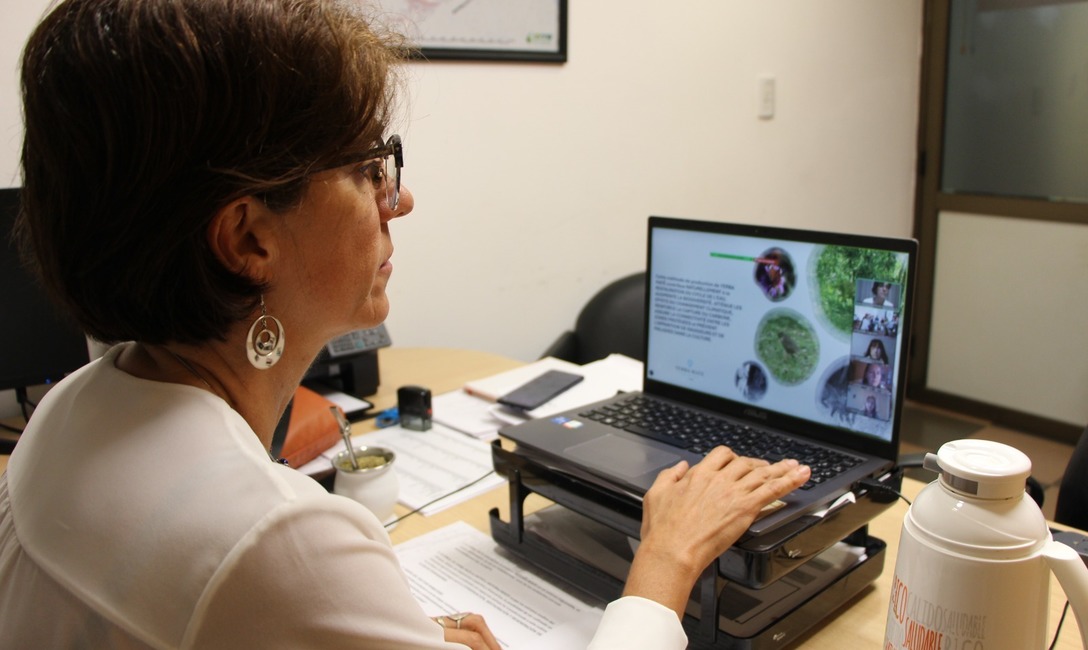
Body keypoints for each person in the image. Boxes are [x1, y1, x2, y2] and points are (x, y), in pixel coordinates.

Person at [0, 1, 810, 648]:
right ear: (249, 239)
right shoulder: (278, 541)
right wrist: (664, 564)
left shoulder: (69, 411)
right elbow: (254, 574)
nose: (399, 198)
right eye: (364, 168)